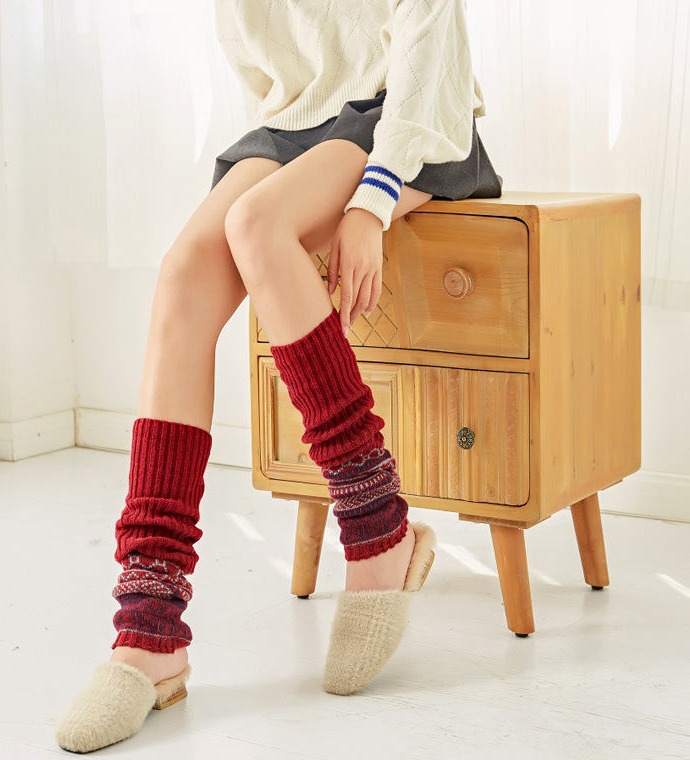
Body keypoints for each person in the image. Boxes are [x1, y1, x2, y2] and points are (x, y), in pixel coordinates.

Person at [55, 0, 501, 752]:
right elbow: (264, 52)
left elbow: (430, 36)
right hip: (296, 123)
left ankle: (376, 522)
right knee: (184, 271)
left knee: (256, 224)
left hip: (406, 112)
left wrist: (373, 202)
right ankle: (149, 624)